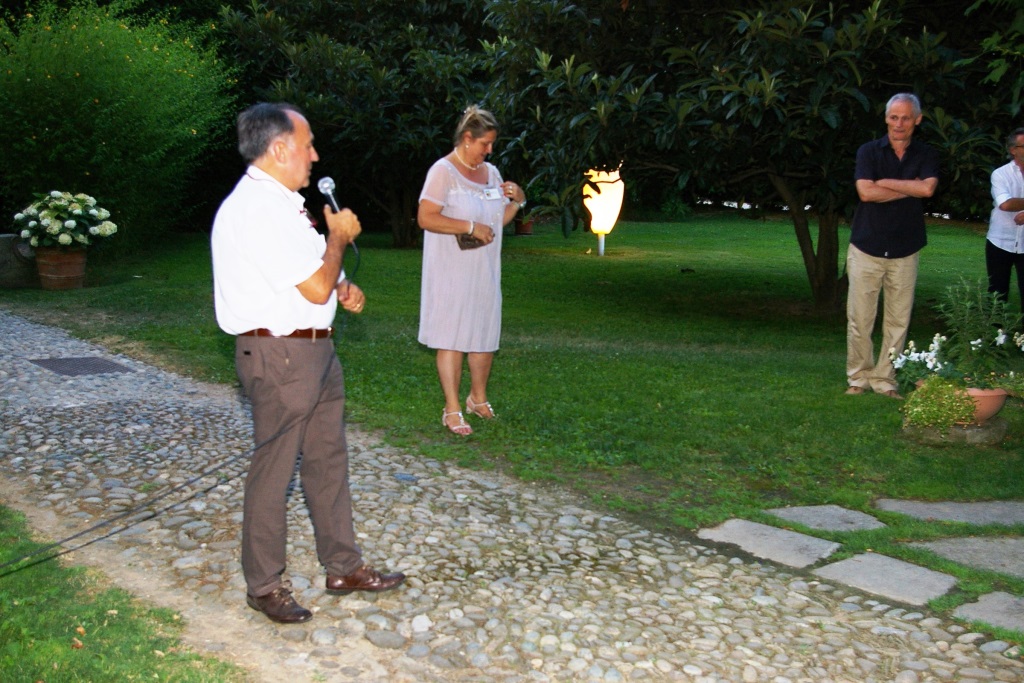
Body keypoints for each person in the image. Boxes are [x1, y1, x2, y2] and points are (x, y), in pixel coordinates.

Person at [211, 102, 404, 624]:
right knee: (275, 470)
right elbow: (314, 283)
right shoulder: (256, 208)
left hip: (314, 349)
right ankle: (263, 585)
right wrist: (338, 240)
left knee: (327, 459)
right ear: (279, 149)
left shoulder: (283, 204)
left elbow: (316, 277)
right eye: (307, 144)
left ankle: (344, 566)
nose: (315, 156)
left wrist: (341, 284)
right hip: (280, 354)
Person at [417, 105, 527, 435]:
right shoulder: (442, 172)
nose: (489, 150)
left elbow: (496, 221)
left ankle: (477, 399)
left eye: (492, 144)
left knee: (483, 334)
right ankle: (451, 408)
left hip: (484, 271)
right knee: (451, 336)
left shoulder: (491, 173)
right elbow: (426, 217)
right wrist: (468, 226)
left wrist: (518, 202)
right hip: (451, 271)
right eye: (485, 143)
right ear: (467, 138)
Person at [845, 93, 940, 399]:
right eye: (894, 117)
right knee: (860, 319)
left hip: (906, 248)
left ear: (917, 120)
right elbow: (866, 193)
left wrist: (884, 182)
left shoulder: (926, 153)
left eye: (906, 118)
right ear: (886, 118)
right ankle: (858, 377)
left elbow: (928, 188)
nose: (899, 124)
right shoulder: (868, 151)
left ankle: (886, 380)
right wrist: (911, 187)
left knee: (898, 321)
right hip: (866, 246)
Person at [986, 127, 1024, 310]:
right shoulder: (1000, 174)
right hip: (1000, 242)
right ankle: (994, 329)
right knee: (997, 294)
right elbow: (1006, 204)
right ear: (1013, 149)